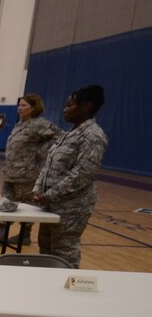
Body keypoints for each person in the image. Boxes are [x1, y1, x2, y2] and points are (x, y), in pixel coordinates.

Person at [32, 85, 107, 268]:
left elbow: (82, 175)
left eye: (70, 105)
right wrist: (38, 189)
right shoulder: (69, 134)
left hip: (71, 208)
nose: (64, 109)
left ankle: (66, 286)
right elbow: (48, 165)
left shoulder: (93, 136)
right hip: (50, 204)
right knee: (46, 251)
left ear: (86, 106)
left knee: (64, 255)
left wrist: (49, 195)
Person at [0, 93, 60, 247]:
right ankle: (2, 234)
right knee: (6, 202)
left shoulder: (40, 124)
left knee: (27, 205)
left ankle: (24, 235)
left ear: (34, 107)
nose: (19, 108)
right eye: (19, 105)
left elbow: (59, 137)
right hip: (10, 172)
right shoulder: (20, 124)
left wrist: (40, 152)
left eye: (24, 105)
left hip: (27, 174)